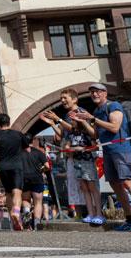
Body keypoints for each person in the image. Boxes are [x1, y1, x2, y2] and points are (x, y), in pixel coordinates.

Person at [70, 82, 131, 232]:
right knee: (115, 185)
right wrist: (84, 122)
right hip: (107, 151)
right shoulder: (97, 111)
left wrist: (92, 119)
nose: (94, 94)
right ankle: (130, 219)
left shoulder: (113, 106)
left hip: (121, 149)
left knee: (128, 182)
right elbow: (95, 134)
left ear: (105, 93)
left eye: (98, 91)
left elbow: (114, 127)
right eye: (92, 92)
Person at [39, 89, 102, 225]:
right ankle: (86, 214)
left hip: (85, 158)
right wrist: (53, 124)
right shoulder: (68, 115)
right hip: (74, 157)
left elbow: (87, 134)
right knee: (79, 187)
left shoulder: (80, 112)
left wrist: (58, 119)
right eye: (61, 98)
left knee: (90, 186)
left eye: (65, 98)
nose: (62, 101)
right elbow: (63, 134)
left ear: (74, 99)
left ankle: (96, 213)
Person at [0, 113, 29, 231]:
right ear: (9, 122)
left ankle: (13, 219)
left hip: (3, 167)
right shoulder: (18, 134)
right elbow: (27, 148)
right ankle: (16, 211)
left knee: (8, 193)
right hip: (16, 166)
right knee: (17, 192)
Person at [21, 139, 49, 229]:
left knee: (26, 199)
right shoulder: (39, 152)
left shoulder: (19, 153)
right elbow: (47, 166)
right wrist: (41, 170)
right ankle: (37, 223)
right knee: (38, 202)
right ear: (32, 141)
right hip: (37, 178)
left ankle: (27, 212)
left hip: (24, 178)